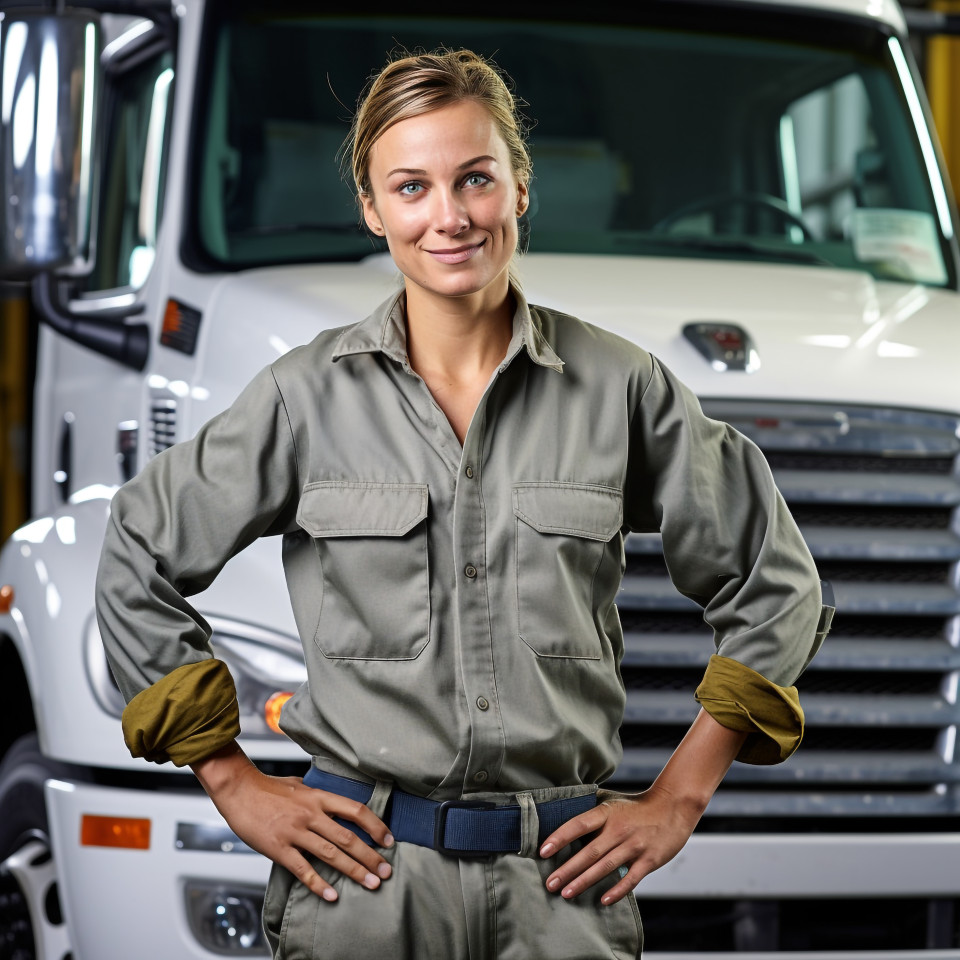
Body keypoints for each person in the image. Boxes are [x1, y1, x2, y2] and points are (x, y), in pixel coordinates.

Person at [95, 48, 832, 959]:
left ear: (520, 188)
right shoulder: (302, 399)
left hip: (562, 890)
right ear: (373, 209)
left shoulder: (624, 389)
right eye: (411, 187)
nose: (448, 216)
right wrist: (232, 779)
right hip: (362, 887)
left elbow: (776, 583)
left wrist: (679, 796)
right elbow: (136, 549)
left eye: (475, 179)